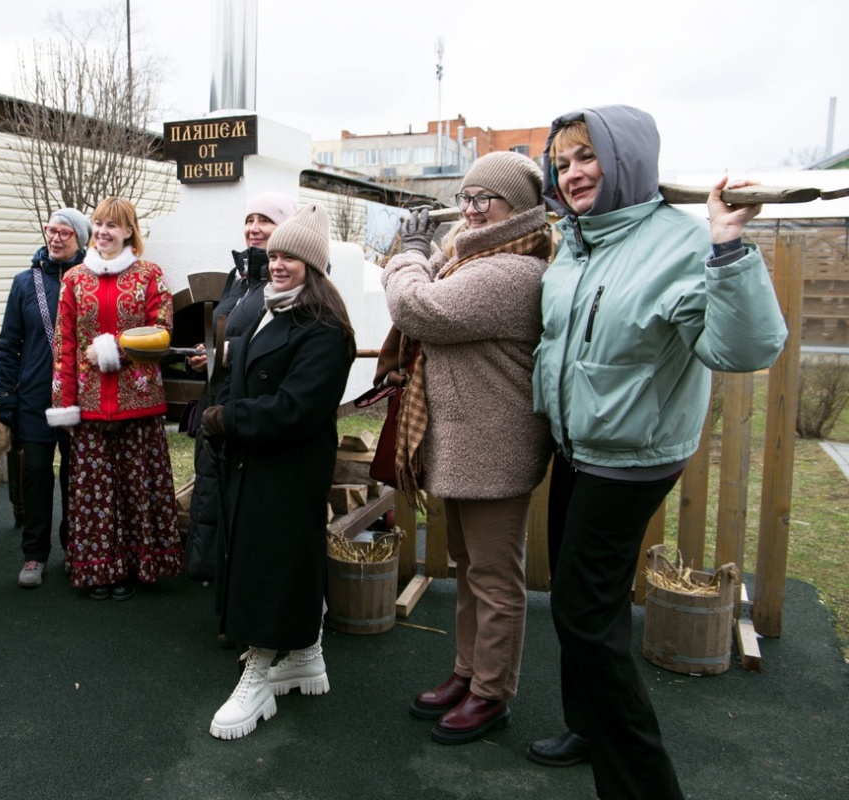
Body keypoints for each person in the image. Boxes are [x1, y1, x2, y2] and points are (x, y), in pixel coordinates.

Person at [528, 106, 787, 799]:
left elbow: (743, 349)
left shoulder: (680, 243)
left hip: (631, 457)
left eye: (587, 156)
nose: (572, 173)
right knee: (589, 604)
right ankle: (588, 725)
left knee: (582, 615)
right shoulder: (577, 241)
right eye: (562, 162)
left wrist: (727, 246)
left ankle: (644, 787)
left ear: (627, 159)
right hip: (577, 446)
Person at [381, 151, 554, 744]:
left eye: (486, 199)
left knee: (495, 580)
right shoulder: (473, 255)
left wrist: (409, 252)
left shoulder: (513, 273)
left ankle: (491, 693)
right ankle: (467, 673)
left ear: (519, 209)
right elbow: (438, 272)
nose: (472, 210)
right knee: (467, 567)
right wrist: (425, 251)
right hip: (466, 444)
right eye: (467, 197)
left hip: (494, 449)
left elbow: (420, 306)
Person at [201, 203, 355, 740]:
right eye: (274, 255)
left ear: (313, 265)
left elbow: (295, 409)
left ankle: (261, 672)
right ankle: (306, 654)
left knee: (274, 559)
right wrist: (222, 418)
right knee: (270, 555)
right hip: (255, 460)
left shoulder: (325, 329)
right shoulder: (273, 309)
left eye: (291, 256)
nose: (278, 264)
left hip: (290, 467)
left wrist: (229, 420)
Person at [46, 197, 182, 601]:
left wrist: (112, 349)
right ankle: (99, 570)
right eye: (99, 223)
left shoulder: (149, 275)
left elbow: (161, 331)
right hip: (89, 406)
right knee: (95, 493)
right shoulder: (75, 279)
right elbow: (64, 347)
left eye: (113, 225)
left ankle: (135, 567)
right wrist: (65, 406)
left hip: (137, 401)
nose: (104, 231)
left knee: (134, 488)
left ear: (128, 232)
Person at [184, 192, 297, 584]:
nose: (254, 228)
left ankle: (242, 576)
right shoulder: (238, 278)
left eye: (265, 220)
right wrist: (206, 355)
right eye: (249, 220)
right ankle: (209, 568)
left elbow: (276, 343)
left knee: (246, 491)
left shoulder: (287, 283)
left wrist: (226, 354)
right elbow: (226, 333)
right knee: (211, 481)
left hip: (251, 401)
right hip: (217, 396)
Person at [0, 208, 91, 588]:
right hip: (35, 398)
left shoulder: (90, 282)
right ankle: (34, 554)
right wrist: (7, 395)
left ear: (80, 240)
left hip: (78, 399)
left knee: (74, 475)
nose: (55, 238)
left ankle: (74, 548)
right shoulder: (24, 283)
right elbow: (8, 344)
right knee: (36, 473)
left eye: (65, 233)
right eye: (51, 230)